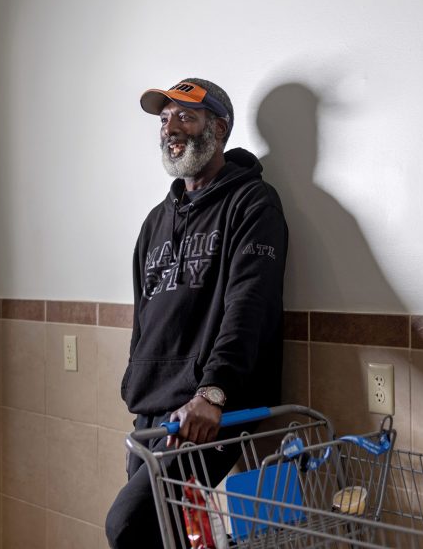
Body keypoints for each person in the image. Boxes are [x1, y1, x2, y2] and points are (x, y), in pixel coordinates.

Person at [105, 78, 288, 549]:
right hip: (153, 413)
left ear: (219, 128)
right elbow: (144, 318)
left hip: (207, 412)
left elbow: (249, 305)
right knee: (174, 539)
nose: (171, 129)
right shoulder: (155, 220)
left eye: (185, 116)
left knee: (128, 526)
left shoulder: (252, 204)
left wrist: (214, 392)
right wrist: (136, 387)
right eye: (165, 119)